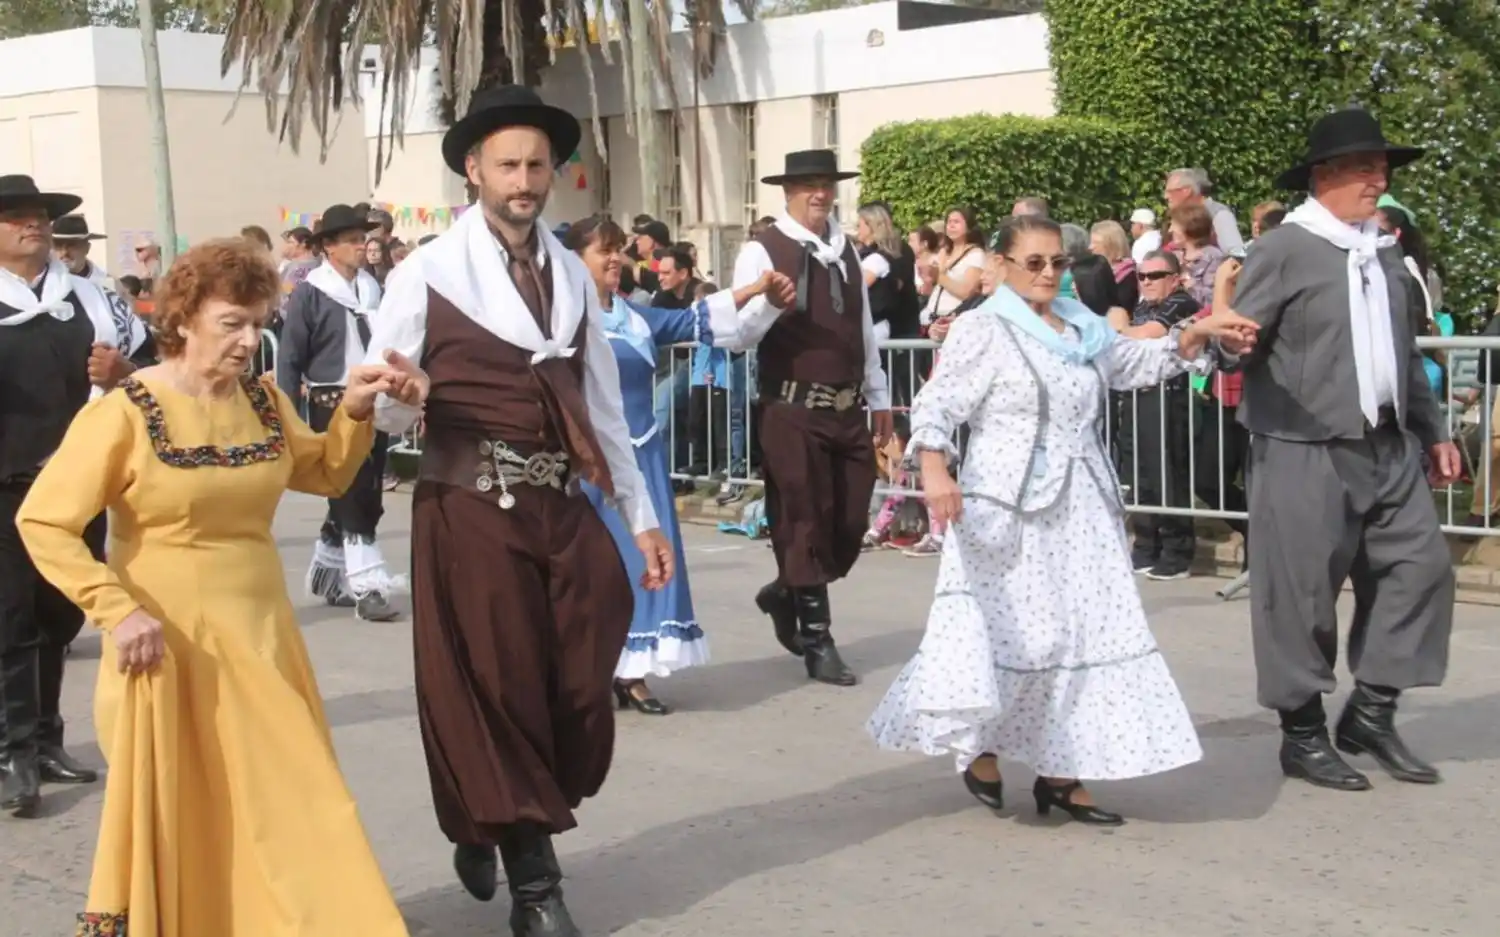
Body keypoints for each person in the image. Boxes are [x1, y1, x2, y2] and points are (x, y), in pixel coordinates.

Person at [15, 237, 423, 934]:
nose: (248, 339)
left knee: (297, 800)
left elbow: (324, 472)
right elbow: (44, 519)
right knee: (193, 814)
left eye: (259, 322)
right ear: (183, 317)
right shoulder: (122, 411)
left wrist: (354, 408)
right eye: (232, 322)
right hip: (163, 648)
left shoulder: (264, 402)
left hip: (261, 641)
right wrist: (116, 610)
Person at [363, 85, 674, 937]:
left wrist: (641, 516)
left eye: (538, 164)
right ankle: (536, 883)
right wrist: (404, 394)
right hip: (470, 505)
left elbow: (602, 407)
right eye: (509, 164)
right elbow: (376, 400)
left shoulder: (573, 271)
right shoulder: (424, 271)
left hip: (560, 504)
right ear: (474, 170)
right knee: (497, 686)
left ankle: (487, 820)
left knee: (579, 673)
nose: (526, 179)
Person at [867, 215, 1258, 824]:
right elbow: (938, 403)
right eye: (1034, 262)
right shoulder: (984, 329)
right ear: (1000, 265)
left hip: (1083, 506)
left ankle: (1062, 772)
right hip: (1003, 508)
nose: (1048, 273)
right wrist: (935, 470)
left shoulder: (1083, 328)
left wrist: (1196, 332)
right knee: (1018, 634)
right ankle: (982, 747)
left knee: (1086, 634)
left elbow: (1137, 362)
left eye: (1057, 262)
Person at [1223, 107, 1458, 791]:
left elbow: (1404, 353)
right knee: (1300, 596)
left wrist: (1434, 429)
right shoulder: (1284, 247)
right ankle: (1302, 732)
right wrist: (1231, 342)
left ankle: (1372, 710)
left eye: (1382, 168)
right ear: (1324, 175)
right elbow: (1240, 335)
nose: (1378, 179)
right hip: (1302, 445)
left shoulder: (1379, 249)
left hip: (1385, 442)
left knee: (1423, 568)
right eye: (1365, 167)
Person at [566, 215, 794, 714]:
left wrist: (757, 292)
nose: (613, 259)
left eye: (617, 250)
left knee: (646, 562)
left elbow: (698, 319)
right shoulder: (564, 321)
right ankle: (587, 670)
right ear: (574, 260)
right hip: (587, 461)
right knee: (591, 569)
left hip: (641, 455)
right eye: (601, 250)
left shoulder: (635, 316)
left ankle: (633, 673)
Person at [711, 149, 893, 687]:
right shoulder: (762, 250)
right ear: (788, 192)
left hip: (845, 407)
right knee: (802, 519)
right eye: (809, 184)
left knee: (849, 523)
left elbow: (862, 331)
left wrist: (879, 397)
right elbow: (737, 337)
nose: (820, 193)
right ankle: (818, 639)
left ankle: (785, 591)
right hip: (790, 407)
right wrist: (768, 303)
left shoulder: (850, 254)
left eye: (826, 184)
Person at [0, 174, 134, 819]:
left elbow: (148, 372)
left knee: (59, 615)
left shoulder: (89, 296)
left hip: (79, 482)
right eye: (17, 217)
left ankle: (49, 739)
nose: (34, 225)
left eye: (40, 217)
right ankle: (12, 751)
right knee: (10, 620)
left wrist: (121, 373)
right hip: (7, 485)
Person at [278, 203, 403, 621]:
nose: (359, 246)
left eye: (361, 238)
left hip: (374, 397)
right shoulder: (311, 292)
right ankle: (368, 586)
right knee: (351, 490)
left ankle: (327, 573)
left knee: (368, 492)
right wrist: (289, 414)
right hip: (331, 401)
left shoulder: (372, 288)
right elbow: (290, 357)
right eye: (350, 240)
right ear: (328, 247)